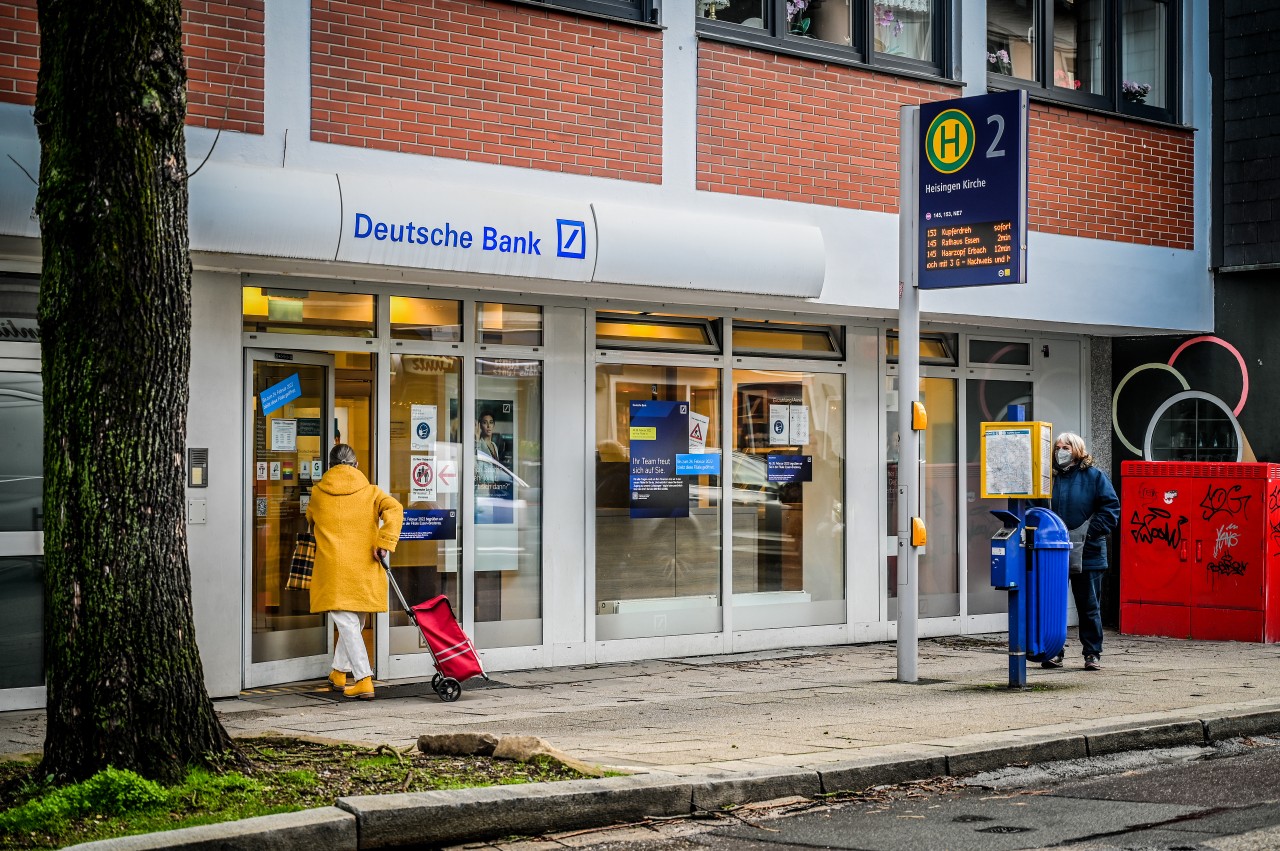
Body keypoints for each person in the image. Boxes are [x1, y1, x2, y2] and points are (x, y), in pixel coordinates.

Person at [306, 444, 403, 699]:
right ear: (357, 466)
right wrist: (385, 543)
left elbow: (310, 519)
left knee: (351, 622)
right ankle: (342, 673)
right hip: (363, 567)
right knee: (354, 621)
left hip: (332, 570)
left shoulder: (317, 494)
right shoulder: (371, 492)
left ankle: (361, 678)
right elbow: (395, 509)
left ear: (329, 466)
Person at [1043, 432, 1120, 672]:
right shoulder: (1048, 479)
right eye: (1057, 447)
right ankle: (1053, 651)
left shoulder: (1094, 477)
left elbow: (1111, 508)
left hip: (1089, 552)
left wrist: (1089, 532)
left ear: (1077, 450)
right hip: (1053, 550)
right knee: (1052, 604)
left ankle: (1092, 653)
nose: (1060, 451)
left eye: (1065, 446)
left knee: (1088, 606)